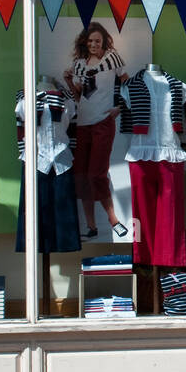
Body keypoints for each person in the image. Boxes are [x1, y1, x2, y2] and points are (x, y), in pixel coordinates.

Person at [64, 22, 129, 240]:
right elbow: (79, 96)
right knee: (82, 176)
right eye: (90, 41)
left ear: (103, 41)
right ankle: (92, 227)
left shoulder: (112, 59)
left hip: (103, 121)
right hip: (83, 123)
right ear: (85, 42)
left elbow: (126, 83)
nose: (93, 44)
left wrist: (120, 106)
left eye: (97, 40)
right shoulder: (79, 65)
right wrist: (68, 81)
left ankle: (114, 221)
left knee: (96, 175)